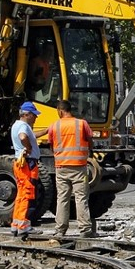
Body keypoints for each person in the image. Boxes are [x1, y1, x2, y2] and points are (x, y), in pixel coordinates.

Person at [47, 99, 95, 238]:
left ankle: (60, 229)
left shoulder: (54, 126)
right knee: (81, 198)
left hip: (61, 167)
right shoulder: (82, 124)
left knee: (62, 198)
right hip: (79, 167)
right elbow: (90, 142)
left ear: (60, 111)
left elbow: (51, 145)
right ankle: (85, 229)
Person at [10, 101, 42, 239]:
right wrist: (28, 148)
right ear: (27, 114)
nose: (36, 118)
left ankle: (16, 225)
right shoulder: (23, 126)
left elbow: (28, 136)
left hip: (20, 163)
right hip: (28, 164)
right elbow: (23, 137)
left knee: (21, 194)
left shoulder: (16, 125)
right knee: (28, 194)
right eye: (34, 115)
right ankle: (24, 226)